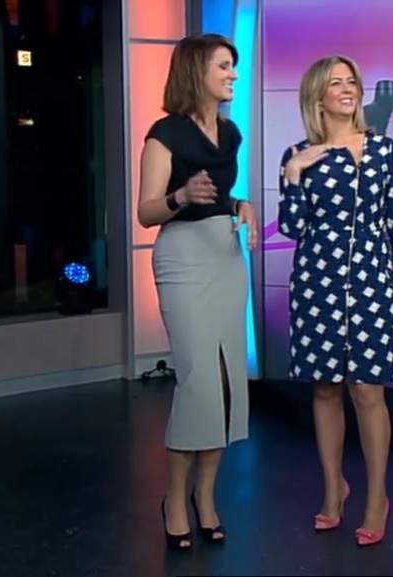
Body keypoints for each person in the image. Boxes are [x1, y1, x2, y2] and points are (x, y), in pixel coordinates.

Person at [277, 55, 393, 547]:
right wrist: (294, 175)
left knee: (368, 391)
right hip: (316, 284)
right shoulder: (298, 154)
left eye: (351, 81)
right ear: (317, 96)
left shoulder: (382, 150)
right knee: (324, 389)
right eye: (336, 83)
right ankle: (333, 488)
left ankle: (377, 497)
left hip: (372, 283)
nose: (348, 89)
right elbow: (292, 228)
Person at [136, 33, 258, 551]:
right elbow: (146, 212)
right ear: (196, 72)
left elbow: (221, 196)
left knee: (227, 382)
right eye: (224, 66)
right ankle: (173, 498)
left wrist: (239, 206)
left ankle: (205, 497)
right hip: (183, 258)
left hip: (225, 255)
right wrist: (181, 195)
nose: (233, 75)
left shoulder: (229, 133)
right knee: (199, 382)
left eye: (233, 66)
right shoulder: (164, 134)